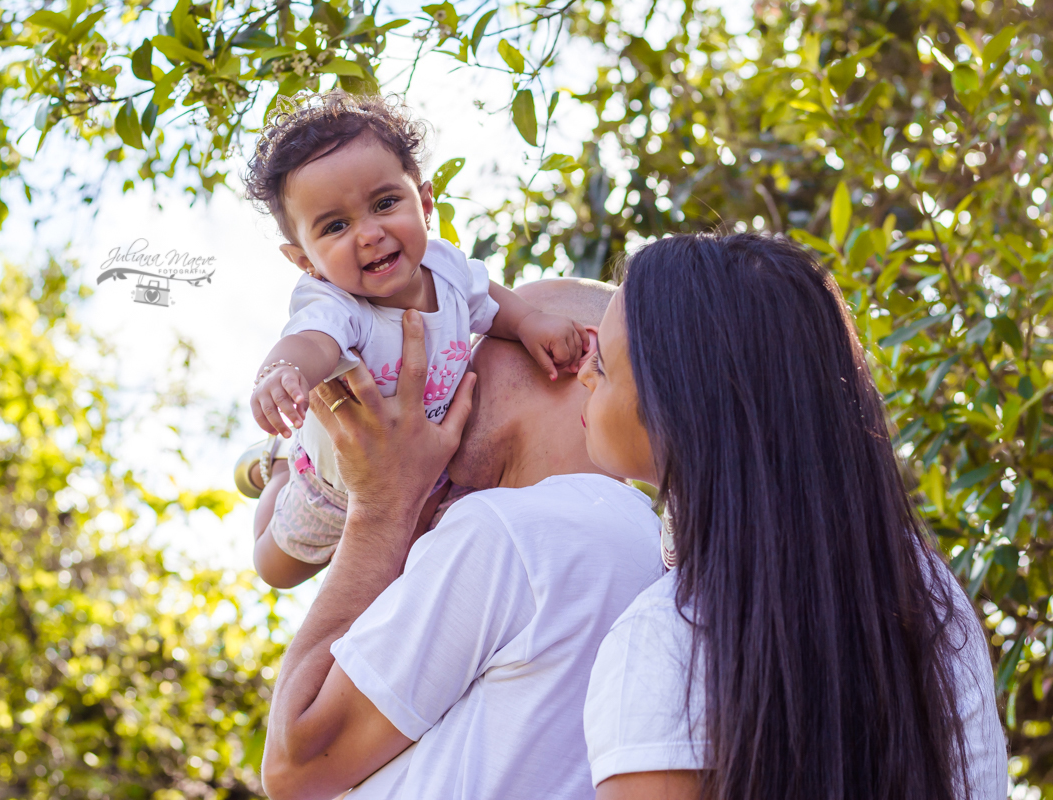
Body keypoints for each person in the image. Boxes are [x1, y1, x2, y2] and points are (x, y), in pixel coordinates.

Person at [576, 233, 1008, 800]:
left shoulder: (665, 639)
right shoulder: (930, 598)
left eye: (603, 365)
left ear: (680, 403)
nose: (583, 373)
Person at [260, 279, 665, 800]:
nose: (450, 375)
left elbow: (296, 764)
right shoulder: (649, 553)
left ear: (571, 351)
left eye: (476, 340)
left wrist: (382, 508)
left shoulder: (508, 531)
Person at [235, 91, 586, 587]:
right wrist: (281, 373)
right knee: (277, 569)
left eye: (384, 203)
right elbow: (310, 343)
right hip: (335, 482)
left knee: (432, 559)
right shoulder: (335, 305)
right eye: (336, 226)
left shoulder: (445, 267)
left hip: (427, 466)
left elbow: (489, 301)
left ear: (423, 203)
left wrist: (529, 322)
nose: (369, 233)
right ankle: (274, 470)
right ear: (306, 261)